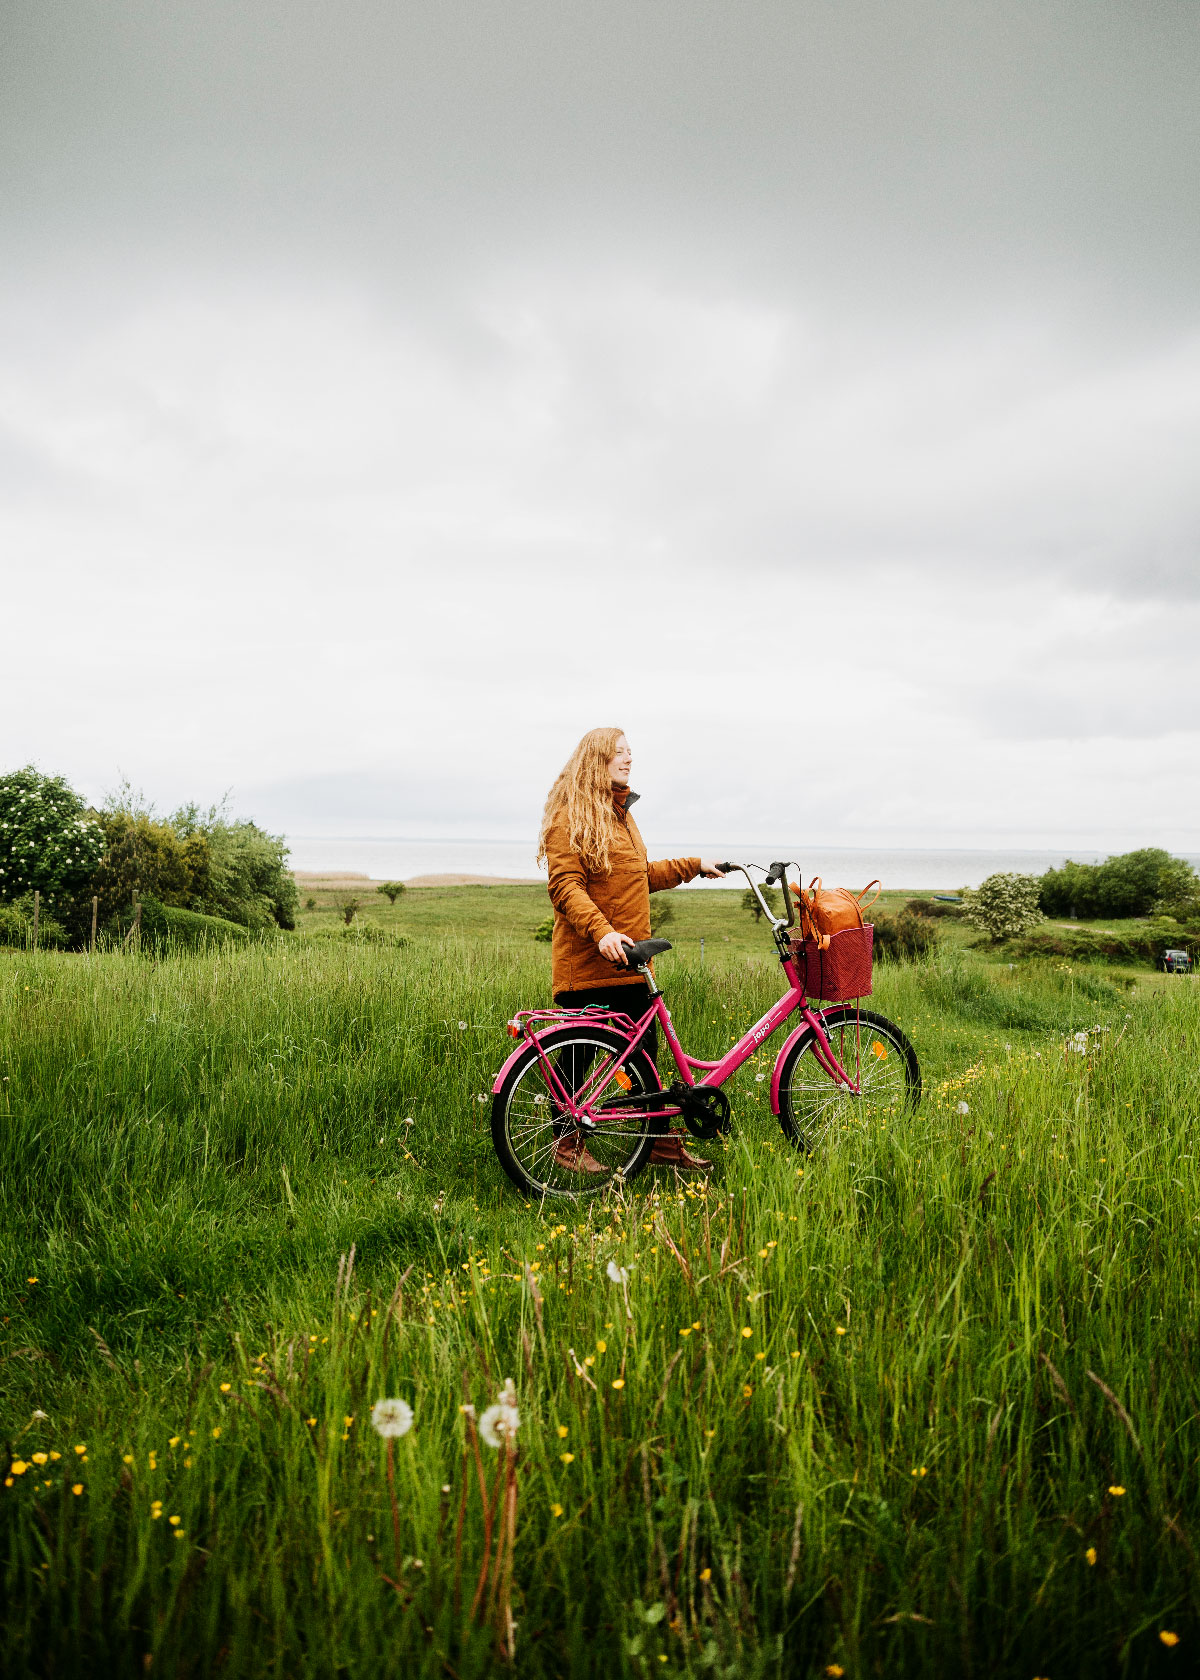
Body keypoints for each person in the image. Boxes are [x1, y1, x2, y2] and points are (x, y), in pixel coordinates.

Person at [537, 726, 725, 1174]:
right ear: (595, 760)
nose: (628, 759)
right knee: (579, 1056)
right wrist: (602, 932)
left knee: (646, 1058)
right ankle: (566, 1146)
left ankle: (660, 1145)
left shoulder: (620, 814)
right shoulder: (571, 815)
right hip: (590, 962)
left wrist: (694, 866)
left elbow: (639, 874)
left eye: (629, 753)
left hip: (630, 961)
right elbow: (565, 886)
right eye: (619, 753)